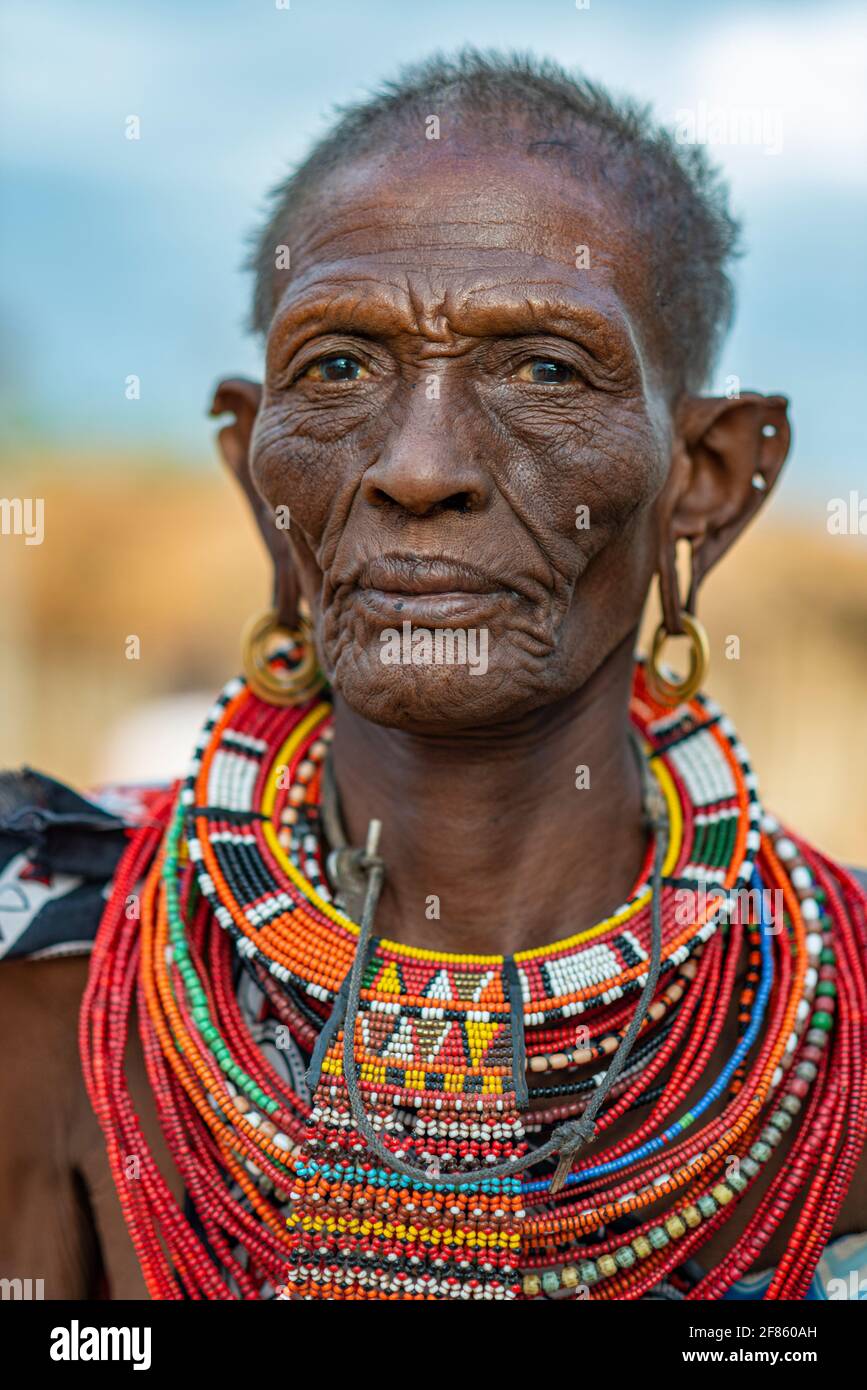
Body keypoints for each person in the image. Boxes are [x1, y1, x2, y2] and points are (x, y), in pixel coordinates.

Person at [1, 51, 865, 1302]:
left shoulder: (837, 1023)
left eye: (547, 369)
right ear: (255, 465)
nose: (418, 467)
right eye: (340, 367)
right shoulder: (49, 973)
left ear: (708, 476)